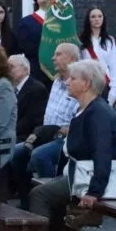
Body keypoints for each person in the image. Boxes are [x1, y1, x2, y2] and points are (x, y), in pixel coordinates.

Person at [26, 59, 116, 231]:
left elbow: (103, 153)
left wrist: (94, 192)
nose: (67, 82)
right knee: (42, 191)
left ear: (86, 84)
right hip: (80, 175)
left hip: (92, 180)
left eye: (72, 78)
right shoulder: (86, 109)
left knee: (40, 195)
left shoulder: (97, 112)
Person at [11, 43, 80, 208]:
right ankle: (27, 201)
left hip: (65, 137)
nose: (52, 58)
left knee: (40, 156)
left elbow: (79, 121)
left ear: (71, 59)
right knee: (16, 153)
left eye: (58, 54)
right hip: (45, 133)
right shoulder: (56, 82)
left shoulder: (79, 83)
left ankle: (53, 202)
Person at [79, 6, 116, 102]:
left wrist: (114, 89)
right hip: (87, 83)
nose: (97, 19)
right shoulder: (81, 40)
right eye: (93, 17)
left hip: (105, 83)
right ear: (88, 20)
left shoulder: (109, 40)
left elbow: (114, 66)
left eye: (99, 16)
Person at [15, 0, 53, 88]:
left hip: (57, 71)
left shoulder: (60, 21)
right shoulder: (26, 22)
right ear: (36, 0)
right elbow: (24, 47)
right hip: (37, 71)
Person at [8, 54, 48, 142]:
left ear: (25, 69)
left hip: (24, 137)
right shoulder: (9, 88)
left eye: (11, 67)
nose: (7, 70)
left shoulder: (37, 89)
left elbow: (32, 120)